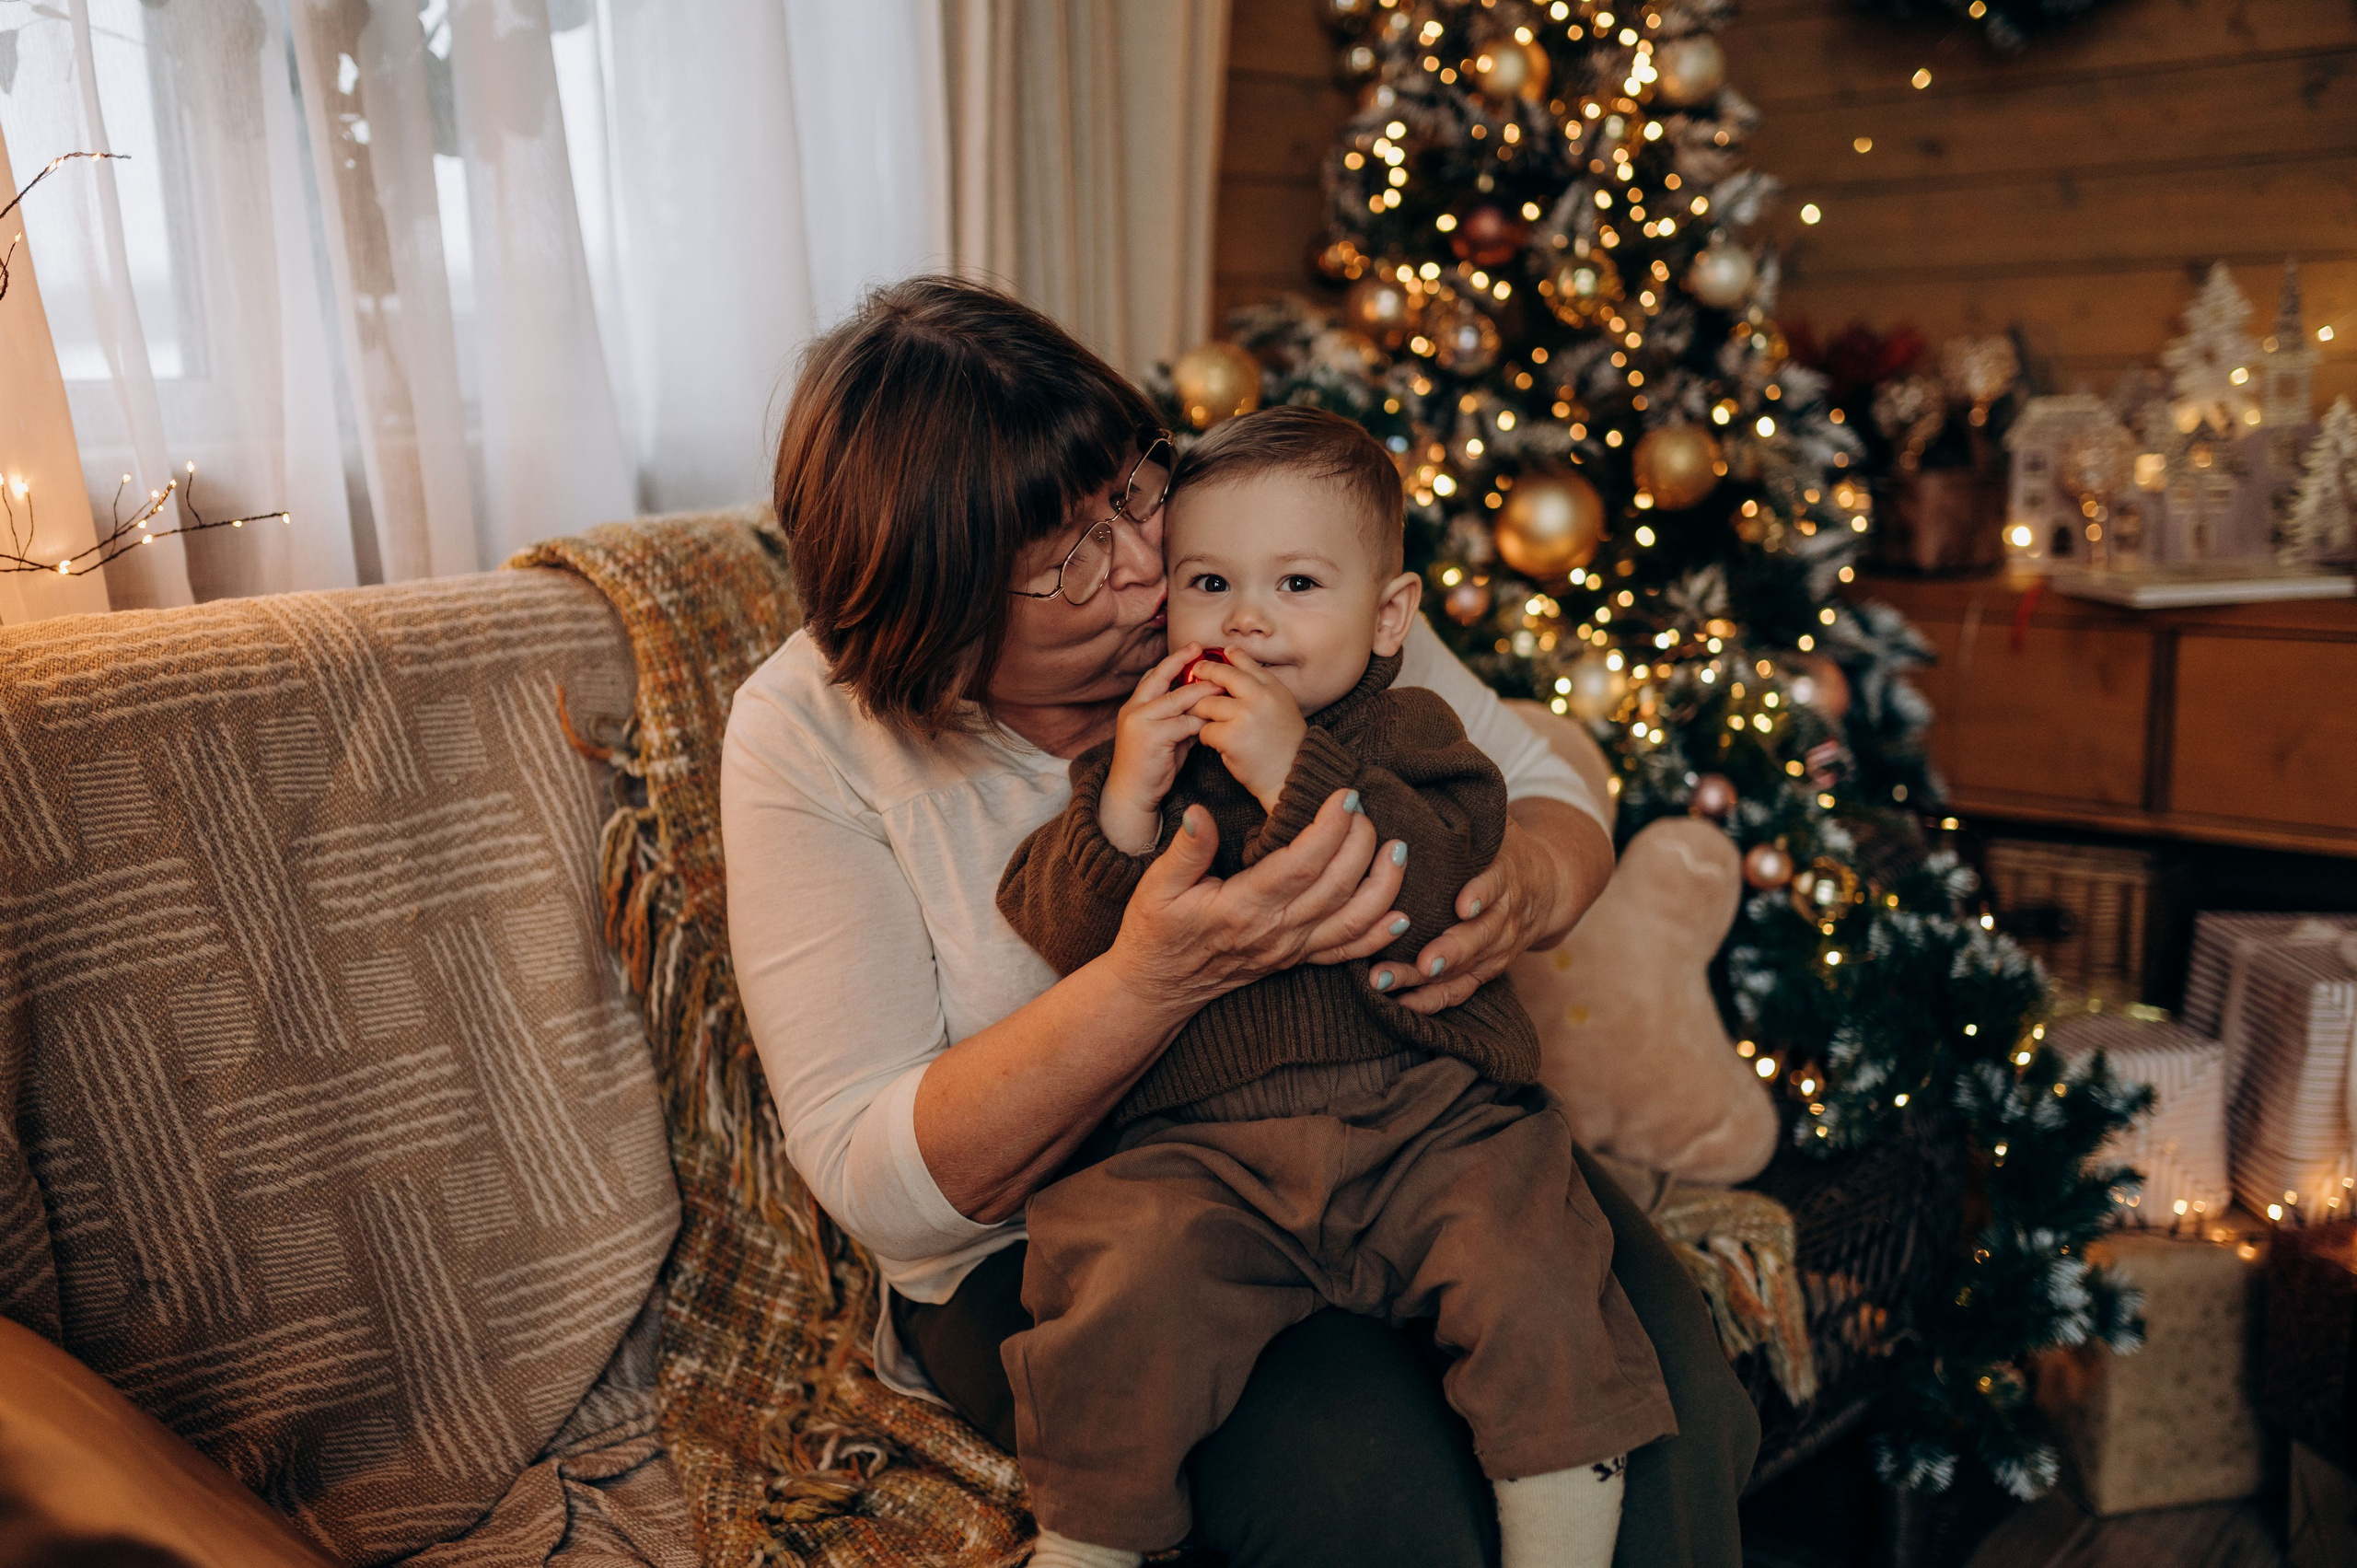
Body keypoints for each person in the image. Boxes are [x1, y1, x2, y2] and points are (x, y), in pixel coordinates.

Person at [720, 276, 1758, 1568]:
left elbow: (1540, 780)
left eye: (1132, 489)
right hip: (1095, 1222)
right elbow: (890, 1190)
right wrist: (1152, 978)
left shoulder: (1253, 581)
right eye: (1069, 556)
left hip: (1410, 1116)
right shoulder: (808, 734)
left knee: (1669, 1410)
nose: (1152, 566)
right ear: (937, 625)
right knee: (1388, 1506)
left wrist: (1530, 887)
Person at [993, 406, 1676, 1568]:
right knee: (1114, 1287)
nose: (1247, 618)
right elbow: (1062, 933)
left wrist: (1286, 765)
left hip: (1427, 1119)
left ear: (1388, 615)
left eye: (1298, 583)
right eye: (1210, 581)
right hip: (1205, 1151)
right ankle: (1085, 1539)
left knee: (1539, 1268)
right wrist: (1120, 801)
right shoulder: (1141, 756)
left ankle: (1558, 1529)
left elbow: (1439, 880)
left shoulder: (1415, 730)